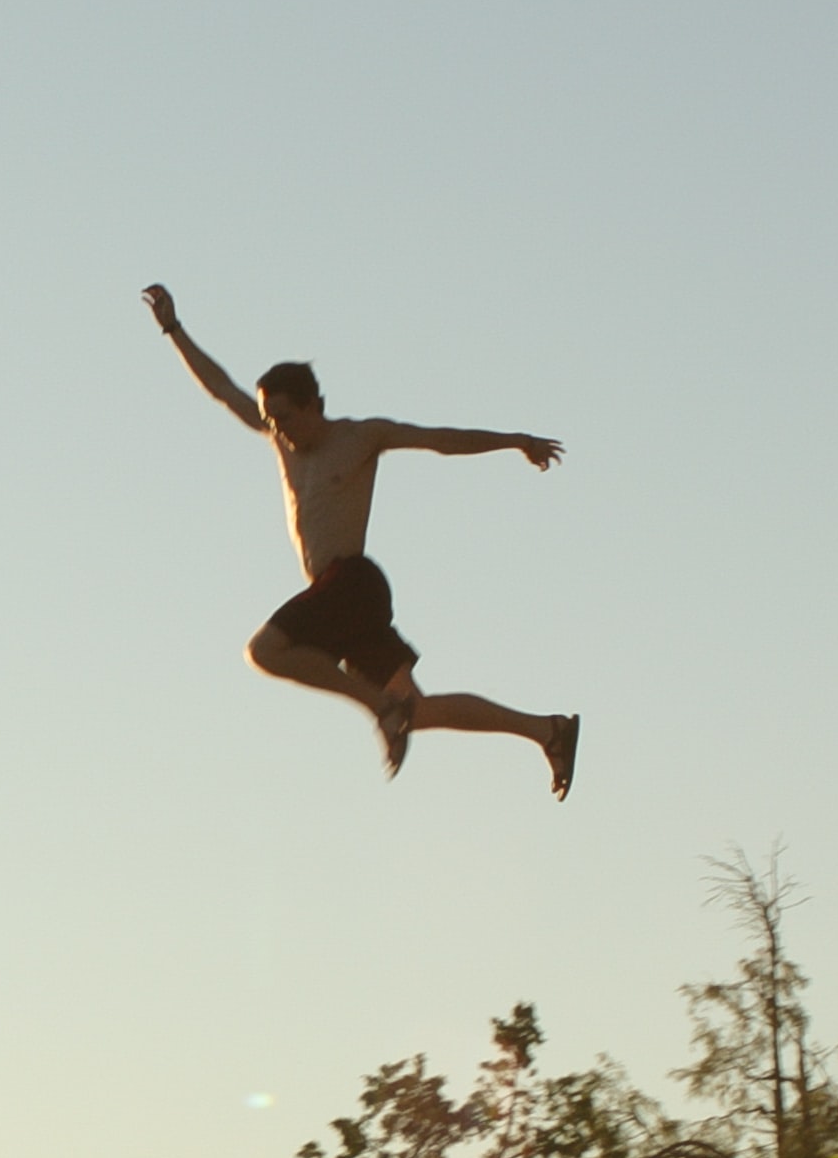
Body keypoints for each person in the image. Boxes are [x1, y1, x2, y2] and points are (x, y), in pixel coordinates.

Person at [143, 284, 580, 791]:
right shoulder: (280, 443)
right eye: (271, 419)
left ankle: (380, 707)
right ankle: (547, 731)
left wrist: (515, 442)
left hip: (351, 583)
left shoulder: (360, 438)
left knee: (264, 651)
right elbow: (223, 389)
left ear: (315, 405)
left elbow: (441, 440)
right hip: (340, 601)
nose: (278, 429)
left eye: (285, 416)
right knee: (418, 710)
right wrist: (174, 330)